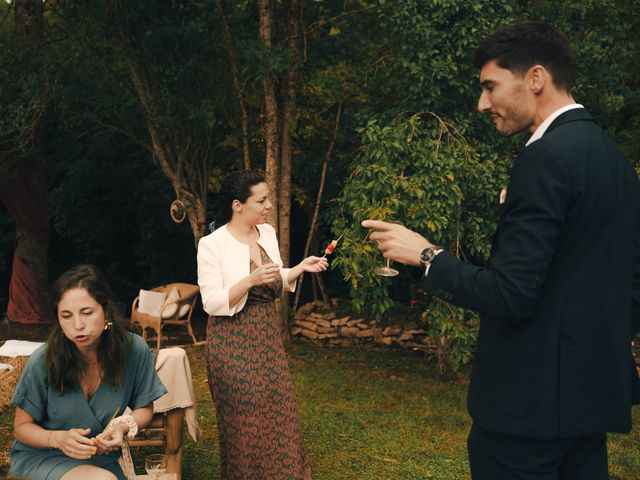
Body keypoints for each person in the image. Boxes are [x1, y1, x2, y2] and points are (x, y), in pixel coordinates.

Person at [363, 21, 640, 480]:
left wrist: (428, 256)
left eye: (490, 86)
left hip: (524, 417)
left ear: (535, 78)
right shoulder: (616, 163)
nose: (481, 103)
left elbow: (510, 293)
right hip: (587, 410)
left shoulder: (545, 157)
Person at [197, 170, 328, 480]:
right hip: (231, 343)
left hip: (266, 341)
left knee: (281, 415)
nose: (269, 205)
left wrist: (298, 269)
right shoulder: (212, 244)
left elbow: (275, 281)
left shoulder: (266, 233)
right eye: (262, 200)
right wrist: (249, 280)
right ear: (237, 205)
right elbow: (211, 302)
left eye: (268, 198)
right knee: (246, 424)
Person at [9, 264, 167, 480]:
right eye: (66, 316)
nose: (77, 325)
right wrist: (57, 439)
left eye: (87, 313)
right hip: (44, 456)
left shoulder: (134, 350)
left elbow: (145, 409)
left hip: (101, 459)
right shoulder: (43, 360)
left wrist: (122, 426)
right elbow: (21, 427)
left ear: (106, 311)